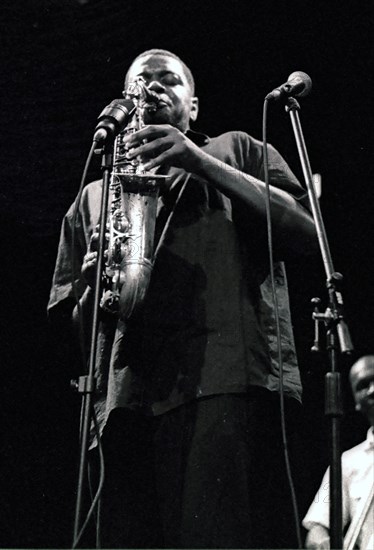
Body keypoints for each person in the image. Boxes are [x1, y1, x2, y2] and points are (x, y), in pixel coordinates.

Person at [48, 49, 317, 548]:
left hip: (221, 379)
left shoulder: (237, 148)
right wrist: (89, 288)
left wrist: (196, 159)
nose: (152, 88)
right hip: (124, 400)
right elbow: (81, 334)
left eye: (168, 80)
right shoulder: (91, 197)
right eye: (140, 82)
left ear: (192, 106)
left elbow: (307, 234)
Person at [303, 356, 374, 549]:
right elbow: (316, 526)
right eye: (363, 386)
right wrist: (320, 540)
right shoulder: (344, 463)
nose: (372, 390)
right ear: (356, 402)